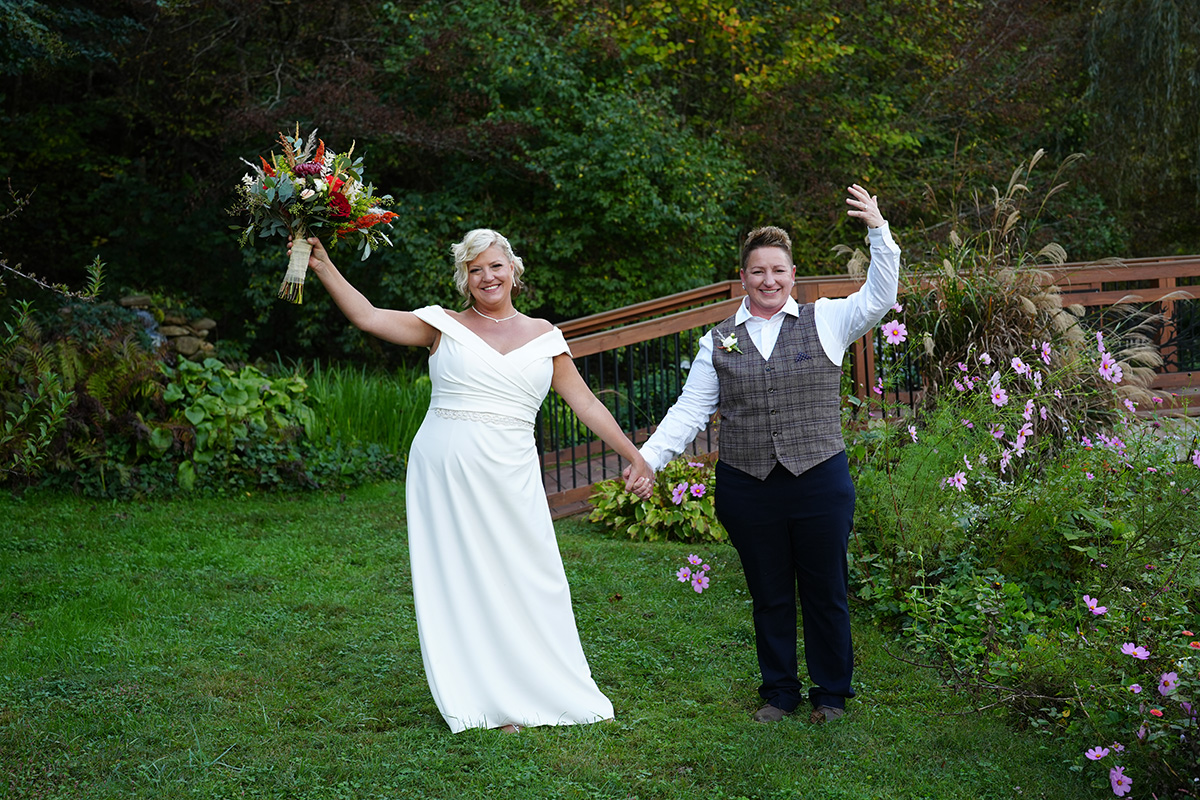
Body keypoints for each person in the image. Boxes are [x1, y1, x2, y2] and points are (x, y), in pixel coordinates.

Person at [289, 229, 655, 733]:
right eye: (475, 269)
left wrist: (634, 456)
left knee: (531, 577)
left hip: (512, 473)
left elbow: (587, 403)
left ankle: (541, 685)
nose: (487, 277)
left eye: (495, 266)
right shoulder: (442, 325)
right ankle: (485, 699)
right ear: (465, 277)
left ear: (513, 270)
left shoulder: (545, 336)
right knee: (463, 580)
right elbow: (368, 317)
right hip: (445, 474)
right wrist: (323, 265)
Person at [631, 184, 900, 724]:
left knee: (825, 589)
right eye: (758, 271)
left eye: (778, 270)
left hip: (819, 479)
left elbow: (879, 294)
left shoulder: (828, 319)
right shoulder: (717, 341)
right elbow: (689, 411)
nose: (769, 280)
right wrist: (647, 459)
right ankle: (779, 693)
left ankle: (831, 693)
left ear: (793, 275)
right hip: (748, 485)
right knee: (769, 593)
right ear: (744, 277)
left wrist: (878, 230)